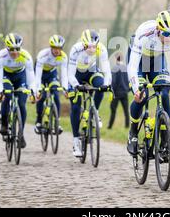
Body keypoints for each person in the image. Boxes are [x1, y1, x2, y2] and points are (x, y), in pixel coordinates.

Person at [126, 10, 170, 155]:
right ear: (158, 29)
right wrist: (136, 89)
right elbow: (132, 67)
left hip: (157, 60)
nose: (169, 38)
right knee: (142, 95)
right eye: (166, 34)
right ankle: (133, 132)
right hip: (141, 61)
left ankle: (166, 137)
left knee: (165, 91)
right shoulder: (144, 33)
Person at [67, 29, 111, 157]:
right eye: (89, 46)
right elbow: (70, 73)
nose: (92, 49)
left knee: (101, 85)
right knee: (75, 107)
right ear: (83, 44)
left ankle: (95, 112)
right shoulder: (76, 49)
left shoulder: (101, 49)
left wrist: (107, 85)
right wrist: (76, 85)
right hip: (76, 75)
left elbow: (107, 70)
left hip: (91, 72)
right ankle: (76, 141)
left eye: (94, 46)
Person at [0, 33, 36, 149]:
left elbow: (31, 78)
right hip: (6, 76)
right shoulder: (0, 56)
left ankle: (21, 134)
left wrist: (33, 92)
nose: (14, 52)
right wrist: (0, 92)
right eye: (11, 49)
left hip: (20, 76)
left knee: (22, 104)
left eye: (17, 49)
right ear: (7, 48)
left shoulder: (26, 56)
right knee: (6, 96)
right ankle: (4, 124)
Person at [34, 34, 68, 135]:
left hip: (52, 74)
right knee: (42, 96)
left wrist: (65, 89)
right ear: (51, 47)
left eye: (59, 48)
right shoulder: (43, 55)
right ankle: (39, 120)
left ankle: (57, 121)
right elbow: (38, 74)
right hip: (40, 74)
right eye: (54, 48)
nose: (57, 51)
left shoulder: (63, 57)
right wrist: (38, 89)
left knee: (56, 94)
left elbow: (64, 74)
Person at [108, 53, 130, 129]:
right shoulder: (125, 68)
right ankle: (127, 126)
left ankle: (110, 127)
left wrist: (111, 90)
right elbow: (128, 80)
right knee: (126, 111)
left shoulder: (114, 68)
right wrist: (127, 89)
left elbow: (113, 81)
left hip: (116, 93)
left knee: (113, 110)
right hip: (125, 92)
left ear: (116, 59)